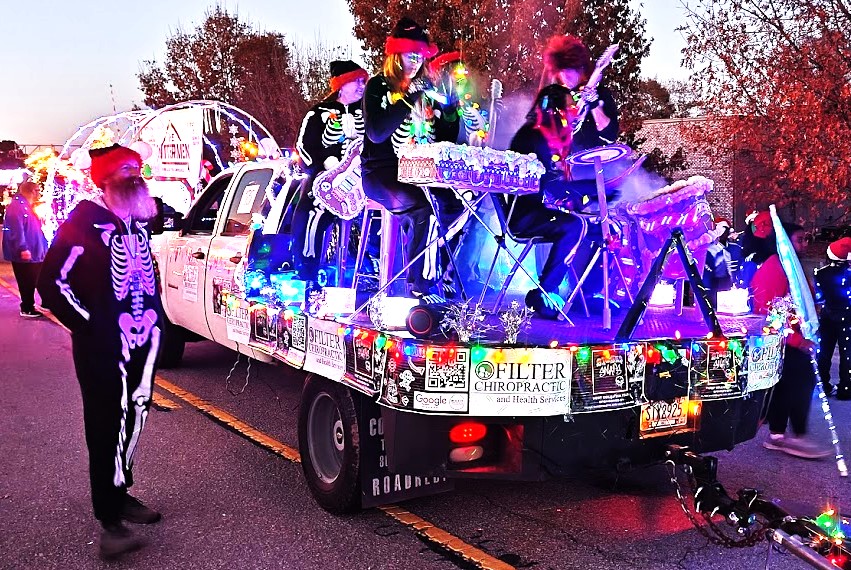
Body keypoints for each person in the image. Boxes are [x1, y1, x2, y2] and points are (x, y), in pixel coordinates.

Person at [36, 144, 164, 559]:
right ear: (104, 179)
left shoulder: (138, 222)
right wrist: (90, 325)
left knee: (136, 413)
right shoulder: (84, 223)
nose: (134, 174)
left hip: (145, 336)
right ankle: (109, 518)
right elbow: (51, 283)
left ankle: (121, 491)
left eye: (137, 168)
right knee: (106, 422)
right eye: (125, 169)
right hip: (103, 344)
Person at [507, 35, 619, 318]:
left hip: (551, 198)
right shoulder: (535, 135)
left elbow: (609, 135)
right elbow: (546, 182)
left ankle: (587, 294)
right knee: (574, 226)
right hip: (529, 211)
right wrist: (585, 191)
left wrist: (593, 190)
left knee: (603, 229)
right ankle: (546, 293)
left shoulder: (554, 126)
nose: (570, 116)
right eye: (566, 110)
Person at [361, 17, 464, 300]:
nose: (417, 60)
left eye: (420, 55)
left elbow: (444, 138)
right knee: (422, 208)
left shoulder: (425, 91)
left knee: (458, 204)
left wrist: (451, 111)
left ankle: (442, 273)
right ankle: (418, 284)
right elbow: (376, 133)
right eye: (410, 54)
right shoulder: (378, 86)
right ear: (396, 55)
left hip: (421, 172)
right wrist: (409, 98)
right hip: (381, 172)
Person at [744, 211, 830, 459]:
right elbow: (770, 311)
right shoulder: (775, 267)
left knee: (791, 386)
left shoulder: (790, 266)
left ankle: (783, 435)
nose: (805, 244)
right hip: (785, 341)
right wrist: (797, 340)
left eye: (806, 239)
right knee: (796, 386)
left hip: (795, 339)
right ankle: (788, 435)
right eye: (800, 240)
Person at [292, 60, 369, 285]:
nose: (362, 86)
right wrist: (323, 168)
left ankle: (373, 265)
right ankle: (307, 273)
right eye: (356, 81)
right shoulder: (317, 113)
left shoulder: (368, 112)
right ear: (341, 85)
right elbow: (304, 147)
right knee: (312, 210)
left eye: (363, 81)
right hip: (325, 178)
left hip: (364, 179)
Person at [2, 180, 47, 317]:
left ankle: (46, 303)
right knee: (27, 281)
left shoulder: (26, 206)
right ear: (32, 191)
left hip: (34, 251)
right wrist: (23, 248)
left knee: (39, 278)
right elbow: (16, 230)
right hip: (26, 253)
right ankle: (27, 307)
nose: (39, 193)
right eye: (38, 190)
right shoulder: (18, 207)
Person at [815, 237, 851, 399]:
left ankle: (822, 384)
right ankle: (846, 387)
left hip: (828, 315)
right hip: (847, 316)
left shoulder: (821, 273)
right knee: (847, 353)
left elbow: (819, 297)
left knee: (824, 351)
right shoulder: (848, 274)